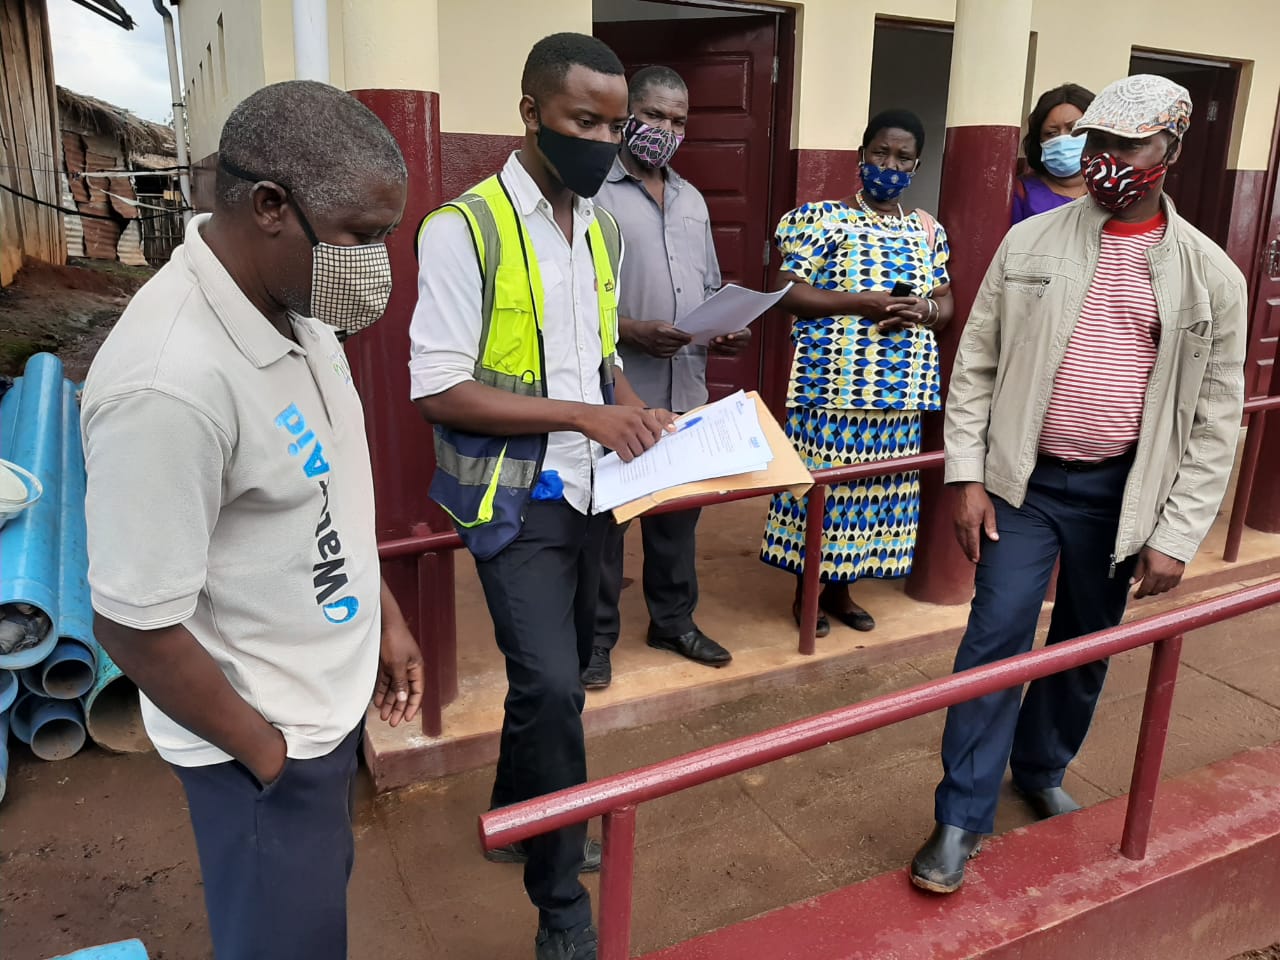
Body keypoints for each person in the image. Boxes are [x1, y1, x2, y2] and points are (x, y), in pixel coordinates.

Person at [81, 81, 422, 960]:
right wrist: (271, 759)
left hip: (319, 715)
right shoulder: (168, 387)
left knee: (313, 927)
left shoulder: (293, 304)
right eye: (361, 235)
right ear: (271, 206)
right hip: (263, 749)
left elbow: (323, 488)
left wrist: (381, 616)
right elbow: (133, 622)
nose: (376, 263)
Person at [911, 74, 1247, 894]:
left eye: (1126, 145)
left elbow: (1214, 419)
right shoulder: (1029, 243)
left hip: (1122, 496)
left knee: (1086, 644)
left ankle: (1040, 767)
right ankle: (961, 813)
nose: (1103, 159)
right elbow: (976, 364)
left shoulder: (1213, 276)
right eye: (1096, 142)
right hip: (1023, 487)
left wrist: (1178, 533)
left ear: (1170, 149)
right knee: (994, 638)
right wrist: (967, 476)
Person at [409, 33, 675, 960]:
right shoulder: (464, 229)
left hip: (597, 491)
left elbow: (599, 359)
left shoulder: (600, 229)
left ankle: (515, 814)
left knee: (551, 680)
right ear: (531, 112)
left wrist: (633, 411)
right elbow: (439, 389)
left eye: (614, 126)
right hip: (515, 501)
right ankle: (560, 903)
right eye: (583, 121)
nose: (603, 141)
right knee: (557, 685)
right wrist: (584, 416)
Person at [760, 109, 954, 636]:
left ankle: (842, 592)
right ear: (861, 155)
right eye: (880, 153)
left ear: (916, 166)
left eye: (903, 157)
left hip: (900, 391)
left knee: (875, 498)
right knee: (826, 493)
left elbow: (946, 301)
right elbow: (786, 290)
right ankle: (807, 595)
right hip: (832, 385)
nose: (890, 165)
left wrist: (925, 311)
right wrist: (860, 302)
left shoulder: (926, 230)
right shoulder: (822, 219)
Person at [587, 65, 750, 689]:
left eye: (678, 121)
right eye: (654, 115)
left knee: (678, 514)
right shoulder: (593, 193)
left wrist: (723, 325)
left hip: (687, 386)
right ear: (627, 114)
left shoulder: (692, 199)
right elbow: (575, 299)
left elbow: (707, 284)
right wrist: (633, 331)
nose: (665, 130)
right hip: (619, 388)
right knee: (608, 521)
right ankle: (595, 640)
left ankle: (673, 622)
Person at [1011, 83, 1095, 224]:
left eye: (1073, 129)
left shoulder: (1112, 192)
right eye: (1051, 133)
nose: (1062, 139)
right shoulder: (1020, 194)